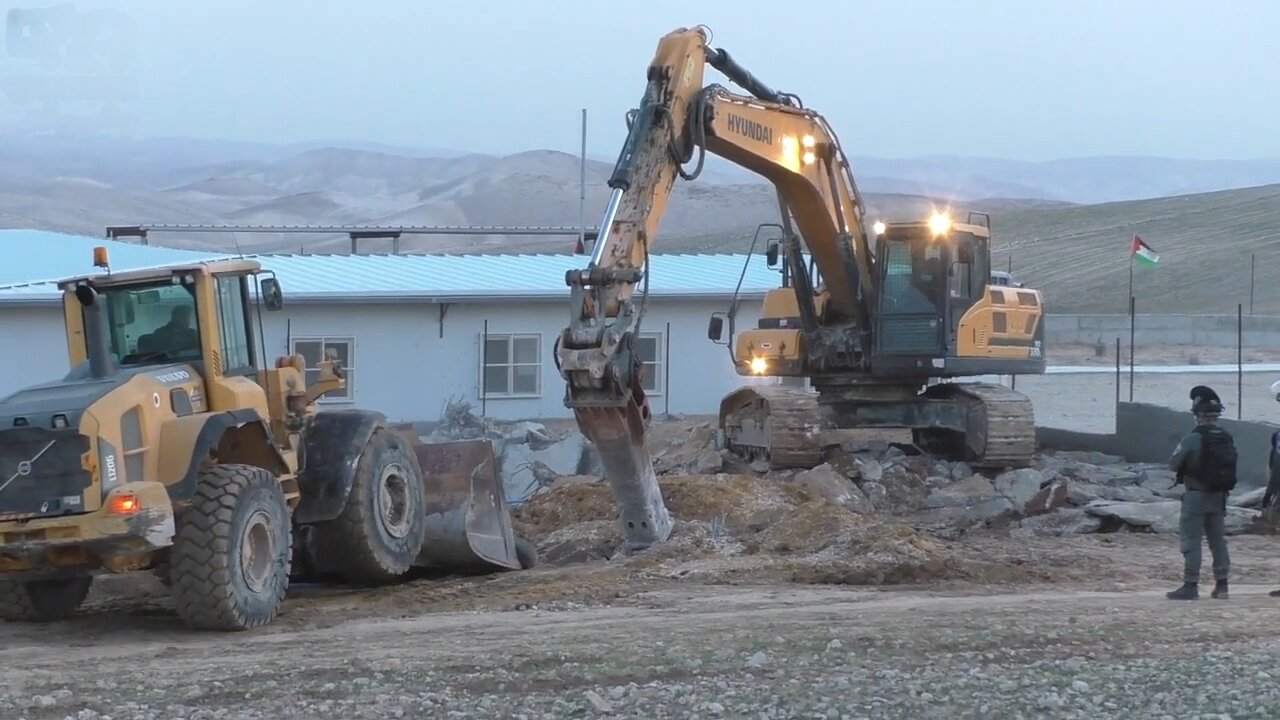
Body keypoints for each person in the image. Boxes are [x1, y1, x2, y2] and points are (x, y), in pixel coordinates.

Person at [1166, 385, 1236, 601]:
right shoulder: (1226, 437)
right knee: (1217, 540)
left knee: (1191, 540)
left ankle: (1190, 584)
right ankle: (1222, 584)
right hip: (1219, 496)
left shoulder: (1192, 439)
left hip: (1196, 495)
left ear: (1197, 414)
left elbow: (1174, 464)